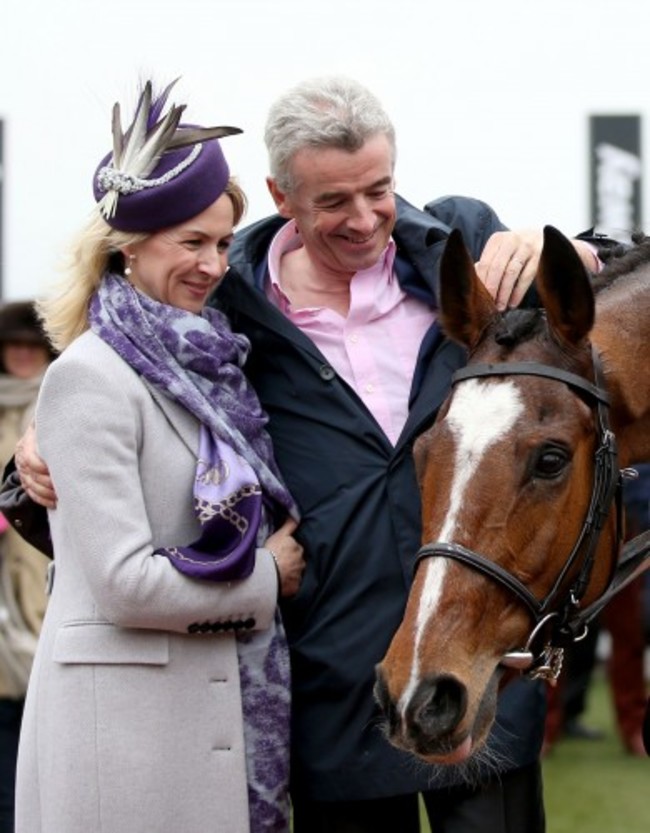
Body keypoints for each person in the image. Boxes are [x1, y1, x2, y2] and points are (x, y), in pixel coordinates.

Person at [2, 77, 610, 833]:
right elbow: (117, 390)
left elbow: (602, 326)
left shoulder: (470, 258)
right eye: (334, 202)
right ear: (280, 196)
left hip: (477, 675)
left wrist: (582, 246)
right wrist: (29, 450)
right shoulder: (224, 308)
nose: (365, 219)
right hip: (335, 692)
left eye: (379, 189)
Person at [5, 80, 305, 833]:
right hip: (122, 741)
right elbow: (125, 584)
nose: (213, 265)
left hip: (204, 719)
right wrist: (270, 574)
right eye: (192, 242)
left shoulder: (218, 363)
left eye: (223, 243)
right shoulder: (89, 374)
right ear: (130, 248)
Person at [0, 301, 55, 833]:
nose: (20, 356)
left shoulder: (59, 399)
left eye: (29, 346)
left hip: (42, 576)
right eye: (12, 346)